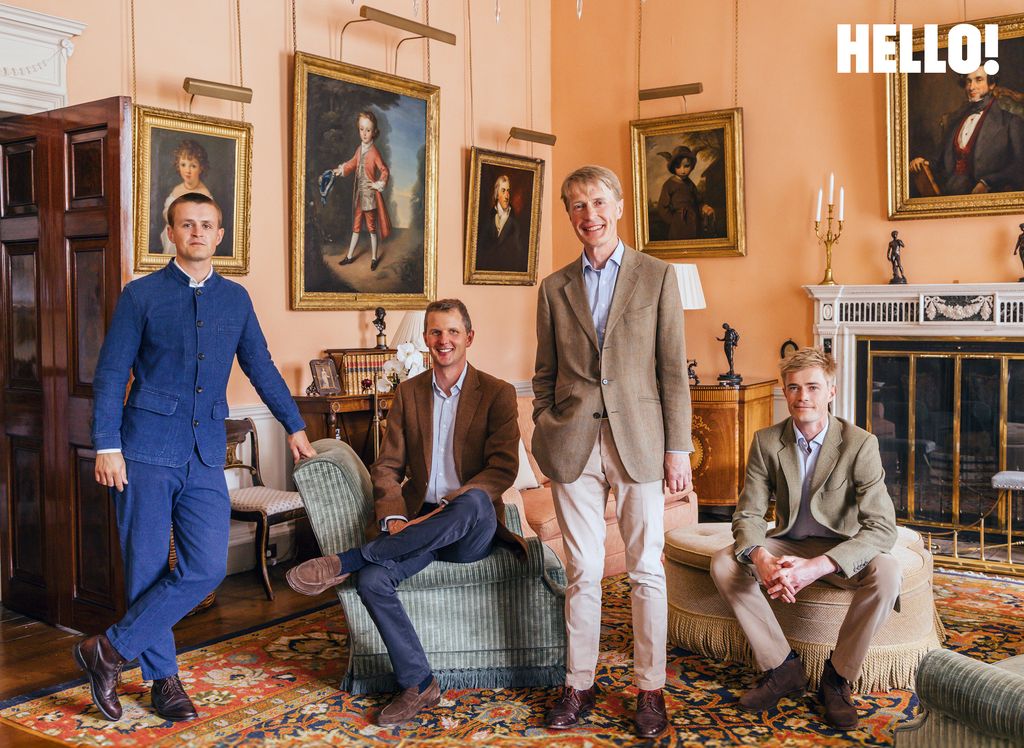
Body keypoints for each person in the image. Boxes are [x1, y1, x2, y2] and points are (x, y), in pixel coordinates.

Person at [76, 192, 315, 723]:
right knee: (145, 568)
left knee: (205, 566)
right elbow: (113, 374)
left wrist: (294, 425)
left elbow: (262, 366)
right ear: (171, 234)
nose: (198, 232)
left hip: (208, 453)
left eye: (207, 225)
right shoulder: (140, 296)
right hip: (143, 452)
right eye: (188, 225)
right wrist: (107, 445)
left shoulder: (237, 299)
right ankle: (164, 682)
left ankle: (108, 651)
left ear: (220, 235)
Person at [285, 298, 523, 727]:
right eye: (435, 332)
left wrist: (456, 503)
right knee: (375, 580)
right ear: (426, 339)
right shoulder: (410, 393)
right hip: (418, 522)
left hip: (472, 526)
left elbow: (503, 469)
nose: (443, 341)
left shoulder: (498, 393)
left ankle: (349, 560)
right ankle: (419, 683)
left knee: (469, 501)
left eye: (452, 332)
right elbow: (388, 466)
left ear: (469, 337)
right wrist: (393, 514)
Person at [533, 164, 692, 739]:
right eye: (576, 206)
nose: (588, 216)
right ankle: (579, 683)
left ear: (619, 206)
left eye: (597, 202)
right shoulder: (554, 287)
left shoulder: (657, 277)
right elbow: (545, 373)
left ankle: (650, 691)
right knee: (584, 572)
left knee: (647, 568)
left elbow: (673, 372)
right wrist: (545, 426)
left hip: (641, 444)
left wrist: (678, 448)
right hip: (572, 446)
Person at [709, 347, 900, 732]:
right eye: (794, 388)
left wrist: (817, 567)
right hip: (789, 543)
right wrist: (761, 557)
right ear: (785, 390)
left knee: (888, 571)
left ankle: (837, 677)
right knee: (725, 562)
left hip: (838, 550)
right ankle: (782, 668)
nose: (802, 397)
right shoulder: (767, 441)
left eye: (813, 387)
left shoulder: (859, 443)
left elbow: (882, 527)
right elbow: (748, 514)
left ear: (831, 391)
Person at [909, 66, 1024, 195]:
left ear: (991, 84)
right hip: (947, 194)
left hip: (987, 196)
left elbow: (1020, 167)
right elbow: (940, 159)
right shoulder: (955, 121)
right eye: (968, 81)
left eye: (978, 80)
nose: (971, 87)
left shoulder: (1011, 122)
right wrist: (923, 162)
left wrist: (987, 182)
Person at [333, 110, 391, 271]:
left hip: (370, 197)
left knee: (372, 229)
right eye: (361, 129)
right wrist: (341, 169)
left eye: (368, 130)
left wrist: (379, 183)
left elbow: (384, 170)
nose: (364, 133)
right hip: (359, 196)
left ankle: (374, 258)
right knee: (356, 227)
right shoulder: (360, 149)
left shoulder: (374, 152)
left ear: (374, 132)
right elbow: (352, 163)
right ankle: (349, 256)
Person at [159, 139, 214, 254]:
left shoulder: (204, 194)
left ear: (201, 168)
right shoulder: (177, 189)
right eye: (183, 165)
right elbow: (167, 213)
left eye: (193, 166)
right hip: (171, 237)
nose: (187, 170)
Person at [656, 146, 714, 240]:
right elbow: (662, 208)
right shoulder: (669, 185)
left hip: (695, 223)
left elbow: (698, 200)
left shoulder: (690, 184)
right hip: (679, 226)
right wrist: (674, 221)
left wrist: (704, 207)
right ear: (673, 167)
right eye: (678, 167)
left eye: (686, 166)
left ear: (691, 166)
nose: (682, 170)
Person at [476, 174, 526, 272]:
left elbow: (519, 254)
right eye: (503, 191)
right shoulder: (487, 220)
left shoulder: (515, 223)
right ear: (497, 194)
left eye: (508, 191)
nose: (507, 195)